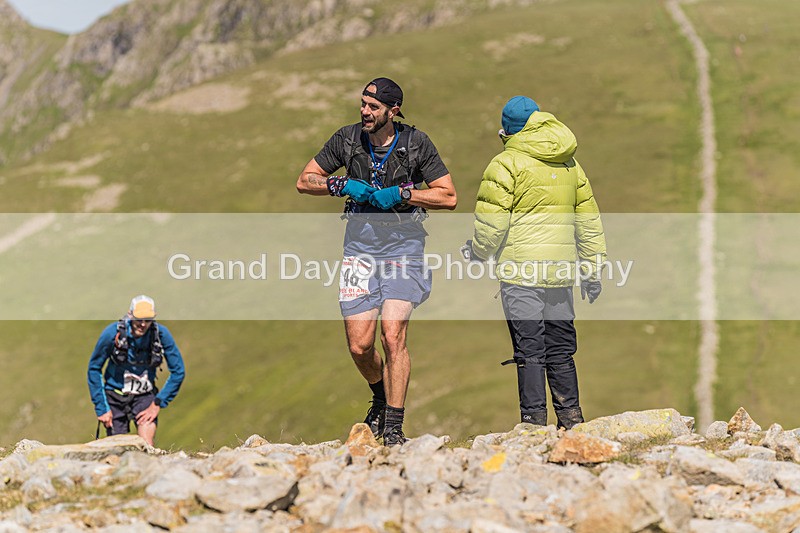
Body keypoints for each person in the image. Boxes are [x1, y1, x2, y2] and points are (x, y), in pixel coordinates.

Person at [296, 77, 457, 446]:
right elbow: (305, 180)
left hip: (404, 249)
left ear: (393, 110)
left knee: (392, 333)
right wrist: (340, 185)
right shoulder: (347, 139)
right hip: (359, 252)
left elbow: (448, 197)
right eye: (363, 105)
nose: (365, 112)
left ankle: (394, 429)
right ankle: (381, 398)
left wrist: (405, 193)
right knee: (360, 345)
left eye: (373, 107)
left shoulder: (416, 143)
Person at [464, 96, 606, 429]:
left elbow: (492, 224)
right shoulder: (570, 163)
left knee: (530, 350)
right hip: (560, 275)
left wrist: (477, 251)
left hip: (520, 273)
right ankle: (572, 422)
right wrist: (592, 270)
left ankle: (533, 425)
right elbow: (588, 221)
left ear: (507, 131)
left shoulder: (505, 163)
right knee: (560, 349)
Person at [87, 295, 185, 446]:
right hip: (115, 397)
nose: (143, 324)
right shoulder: (112, 334)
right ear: (130, 314)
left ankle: (150, 467)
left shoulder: (161, 335)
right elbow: (94, 368)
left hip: (144, 396)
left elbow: (178, 371)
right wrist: (102, 408)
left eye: (148, 320)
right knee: (117, 448)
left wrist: (157, 403)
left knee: (146, 443)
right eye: (139, 319)